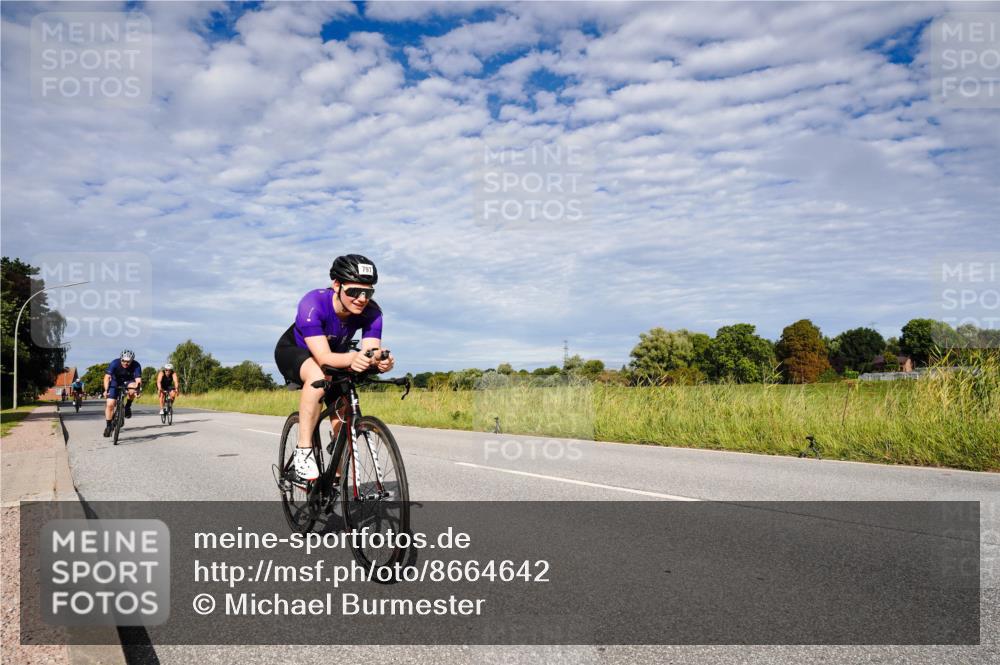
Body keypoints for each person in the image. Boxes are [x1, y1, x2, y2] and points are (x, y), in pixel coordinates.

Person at [274, 254, 394, 480]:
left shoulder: (373, 313)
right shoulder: (313, 303)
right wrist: (353, 359)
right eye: (353, 291)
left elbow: (369, 351)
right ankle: (303, 450)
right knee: (319, 376)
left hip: (335, 355)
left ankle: (334, 478)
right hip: (295, 352)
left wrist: (379, 361)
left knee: (344, 415)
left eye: (368, 292)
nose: (361, 298)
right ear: (336, 285)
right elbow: (324, 358)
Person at [103, 349, 142, 437]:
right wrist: (106, 390)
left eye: (128, 362)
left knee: (133, 388)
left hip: (129, 381)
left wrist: (138, 390)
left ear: (132, 360)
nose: (125, 363)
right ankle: (108, 426)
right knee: (110, 404)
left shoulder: (136, 365)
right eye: (123, 361)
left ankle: (128, 406)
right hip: (115, 381)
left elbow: (138, 380)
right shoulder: (114, 363)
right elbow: (107, 377)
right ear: (120, 359)